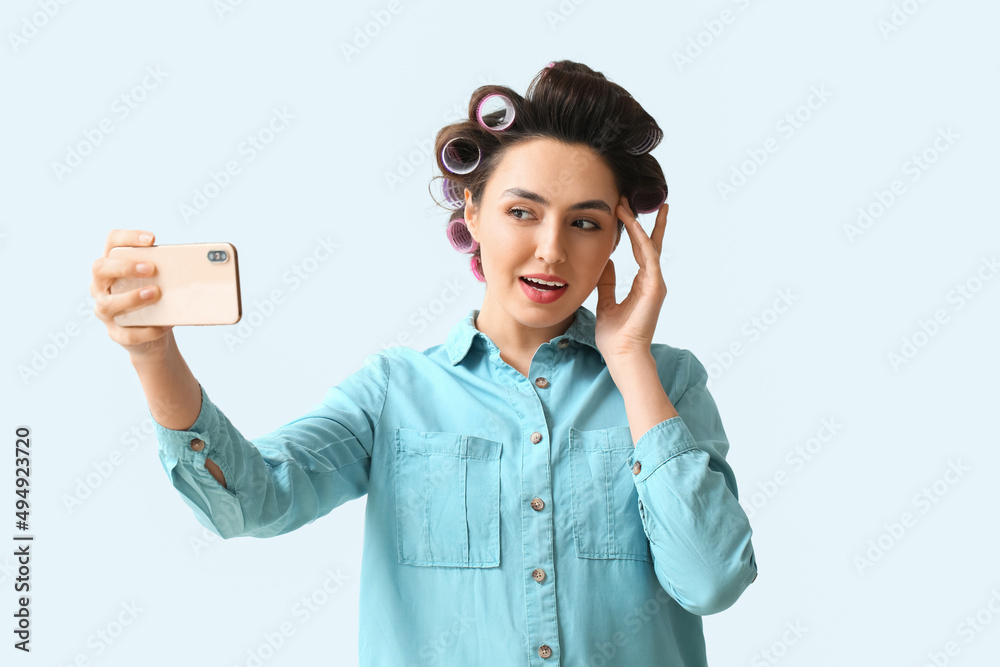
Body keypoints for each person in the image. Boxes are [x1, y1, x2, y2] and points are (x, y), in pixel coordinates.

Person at [90, 60, 757, 666]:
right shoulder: (394, 390)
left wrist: (631, 360)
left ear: (620, 235)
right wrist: (153, 354)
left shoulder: (669, 383)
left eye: (585, 222)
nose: (551, 250)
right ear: (472, 209)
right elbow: (249, 503)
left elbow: (710, 579)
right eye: (522, 211)